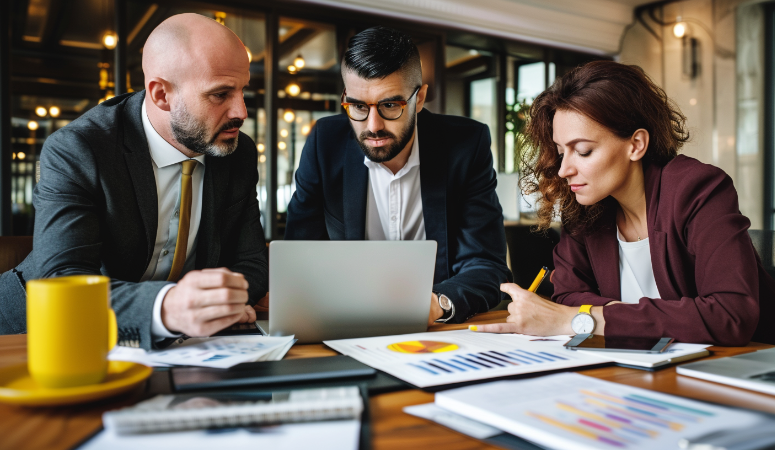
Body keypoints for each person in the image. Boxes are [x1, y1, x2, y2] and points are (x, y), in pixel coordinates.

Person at [0, 14, 268, 349]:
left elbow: (252, 264)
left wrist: (212, 305)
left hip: (187, 345)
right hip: (38, 335)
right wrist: (166, 308)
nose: (241, 111)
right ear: (161, 95)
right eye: (220, 94)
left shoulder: (236, 152)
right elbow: (61, 284)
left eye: (242, 90)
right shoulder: (79, 149)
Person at [473, 60, 775, 346]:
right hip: (639, 370)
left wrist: (586, 319)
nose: (564, 169)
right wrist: (622, 316)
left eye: (584, 151)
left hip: (739, 369)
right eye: (561, 151)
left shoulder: (697, 189)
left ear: (636, 144)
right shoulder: (583, 208)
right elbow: (567, 297)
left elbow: (730, 315)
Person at [285, 26, 511, 325]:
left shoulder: (465, 146)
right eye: (358, 106)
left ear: (420, 98)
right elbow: (299, 257)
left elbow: (486, 263)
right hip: (344, 322)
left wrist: (437, 303)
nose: (373, 125)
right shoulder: (324, 144)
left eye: (390, 105)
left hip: (437, 330)